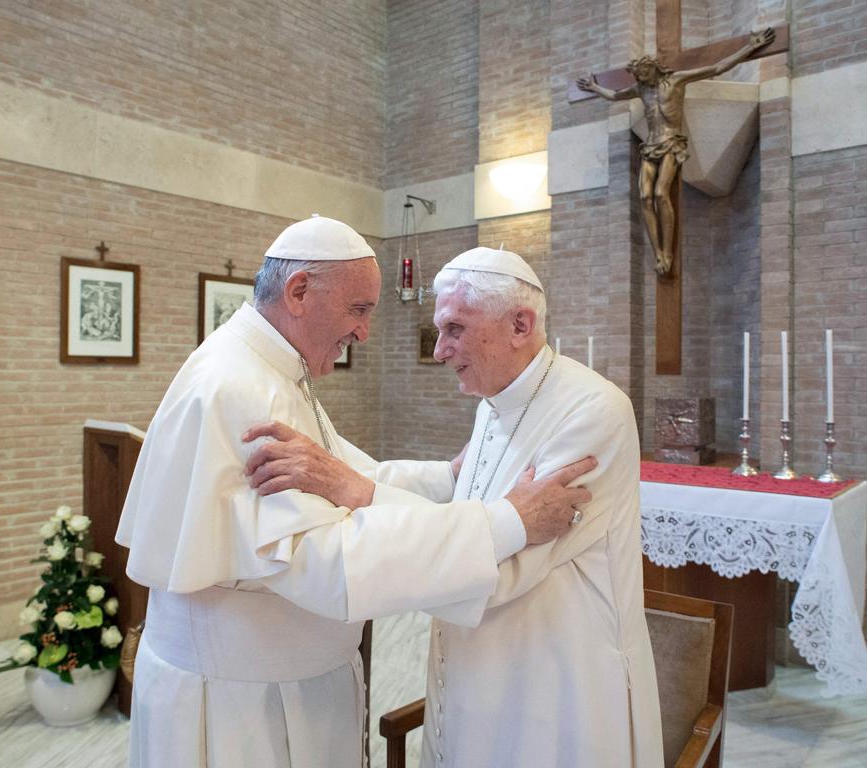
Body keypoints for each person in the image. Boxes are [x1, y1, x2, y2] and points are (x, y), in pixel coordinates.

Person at [115, 217, 595, 768]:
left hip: (272, 681)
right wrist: (508, 522)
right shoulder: (243, 388)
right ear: (299, 293)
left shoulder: (267, 371)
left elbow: (341, 476)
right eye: (359, 310)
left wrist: (445, 478)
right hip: (244, 704)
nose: (364, 333)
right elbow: (325, 561)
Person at [247, 246, 663, 767]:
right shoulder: (497, 400)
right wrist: (361, 483)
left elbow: (503, 570)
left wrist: (358, 492)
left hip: (557, 680)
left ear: (520, 324)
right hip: (480, 665)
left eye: (455, 330)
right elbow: (474, 510)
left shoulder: (591, 411)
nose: (440, 350)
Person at [576, 27, 775, 276]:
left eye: (644, 73)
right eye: (638, 75)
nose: (641, 79)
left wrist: (751, 47)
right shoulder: (641, 90)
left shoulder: (677, 79)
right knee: (645, 197)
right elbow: (616, 95)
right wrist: (594, 88)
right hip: (650, 146)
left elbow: (716, 68)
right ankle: (658, 252)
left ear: (653, 68)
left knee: (661, 194)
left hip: (671, 142)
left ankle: (667, 253)